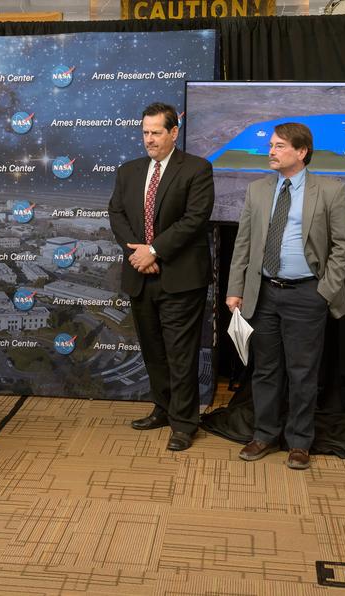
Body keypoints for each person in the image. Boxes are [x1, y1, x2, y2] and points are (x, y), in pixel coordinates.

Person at [225, 122, 345, 470]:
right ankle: (264, 435)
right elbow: (244, 244)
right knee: (265, 370)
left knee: (302, 372)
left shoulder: (329, 190)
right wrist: (235, 289)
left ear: (301, 152)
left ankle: (299, 441)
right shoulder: (257, 190)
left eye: (280, 146)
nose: (271, 151)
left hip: (306, 295)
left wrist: (324, 291)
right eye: (271, 145)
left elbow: (344, 245)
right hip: (263, 293)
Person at [109, 102, 215, 451]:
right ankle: (164, 408)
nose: (149, 139)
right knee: (153, 350)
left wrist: (153, 251)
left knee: (180, 353)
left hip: (181, 278)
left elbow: (194, 219)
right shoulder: (128, 171)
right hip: (140, 275)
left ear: (174, 132)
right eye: (145, 132)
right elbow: (117, 214)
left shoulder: (197, 169)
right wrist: (138, 254)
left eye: (156, 132)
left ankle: (185, 423)